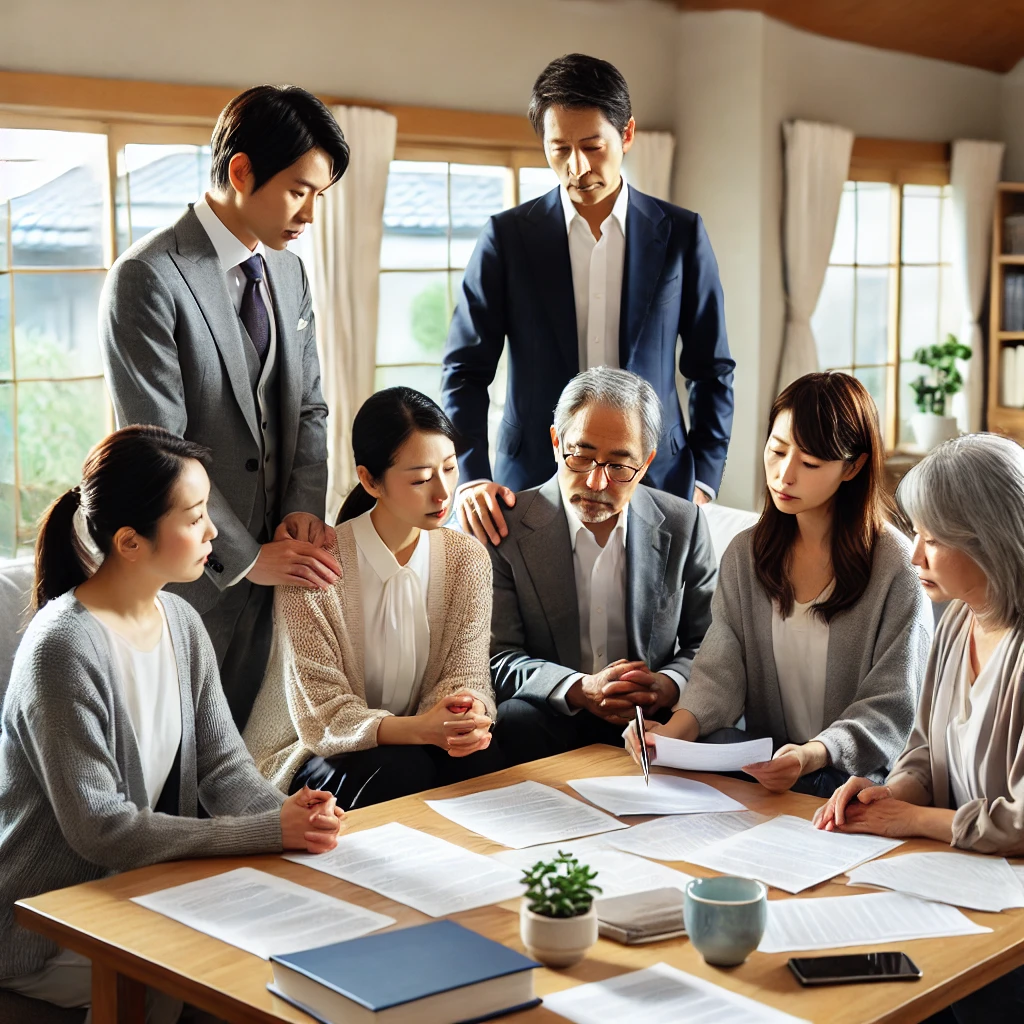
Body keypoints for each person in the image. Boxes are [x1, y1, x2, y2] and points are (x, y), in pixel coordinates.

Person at [0, 426, 343, 1023]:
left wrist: (290, 818)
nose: (214, 531)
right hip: (42, 924)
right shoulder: (62, 647)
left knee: (308, 939)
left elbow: (224, 768)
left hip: (137, 889)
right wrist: (267, 834)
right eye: (195, 517)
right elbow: (100, 828)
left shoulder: (180, 622)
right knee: (230, 970)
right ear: (131, 542)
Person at [99, 85, 349, 730]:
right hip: (191, 585)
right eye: (299, 190)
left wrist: (299, 509)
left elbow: (310, 408)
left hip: (279, 581)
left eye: (319, 195)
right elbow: (159, 452)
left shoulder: (289, 274)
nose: (310, 214)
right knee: (178, 775)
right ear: (241, 171)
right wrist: (244, 558)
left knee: (259, 771)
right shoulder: (148, 276)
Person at [442, 53, 734, 547]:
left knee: (656, 623)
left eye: (592, 147)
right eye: (558, 149)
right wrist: (471, 475)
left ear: (626, 135)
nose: (576, 168)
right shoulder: (507, 238)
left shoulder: (682, 234)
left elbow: (712, 368)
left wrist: (703, 478)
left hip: (657, 480)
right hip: (532, 479)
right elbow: (464, 370)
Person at [628, 372, 933, 797]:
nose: (784, 475)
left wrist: (811, 754)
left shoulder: (895, 567)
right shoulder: (745, 554)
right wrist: (667, 736)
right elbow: (720, 672)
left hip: (852, 777)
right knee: (706, 752)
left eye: (809, 463)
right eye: (776, 450)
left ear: (854, 466)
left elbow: (891, 705)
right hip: (772, 768)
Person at [815, 433, 1024, 1023]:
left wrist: (912, 819)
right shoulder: (959, 615)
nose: (915, 557)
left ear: (989, 543)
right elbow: (924, 744)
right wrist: (893, 791)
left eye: (933, 540)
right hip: (959, 872)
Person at [244, 388, 503, 809]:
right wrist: (421, 729)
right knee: (403, 768)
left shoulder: (467, 558)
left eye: (451, 468)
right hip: (308, 753)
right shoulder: (314, 569)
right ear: (369, 480)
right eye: (421, 479)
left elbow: (466, 673)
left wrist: (465, 713)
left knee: (480, 756)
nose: (443, 494)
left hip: (418, 743)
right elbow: (322, 719)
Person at [488, 367, 717, 765]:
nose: (596, 482)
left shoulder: (684, 523)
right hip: (551, 713)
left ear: (645, 463)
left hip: (649, 718)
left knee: (716, 726)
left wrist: (665, 685)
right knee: (514, 719)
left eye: (618, 465)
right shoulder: (505, 529)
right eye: (581, 456)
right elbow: (498, 656)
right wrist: (580, 688)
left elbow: (712, 643)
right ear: (557, 442)